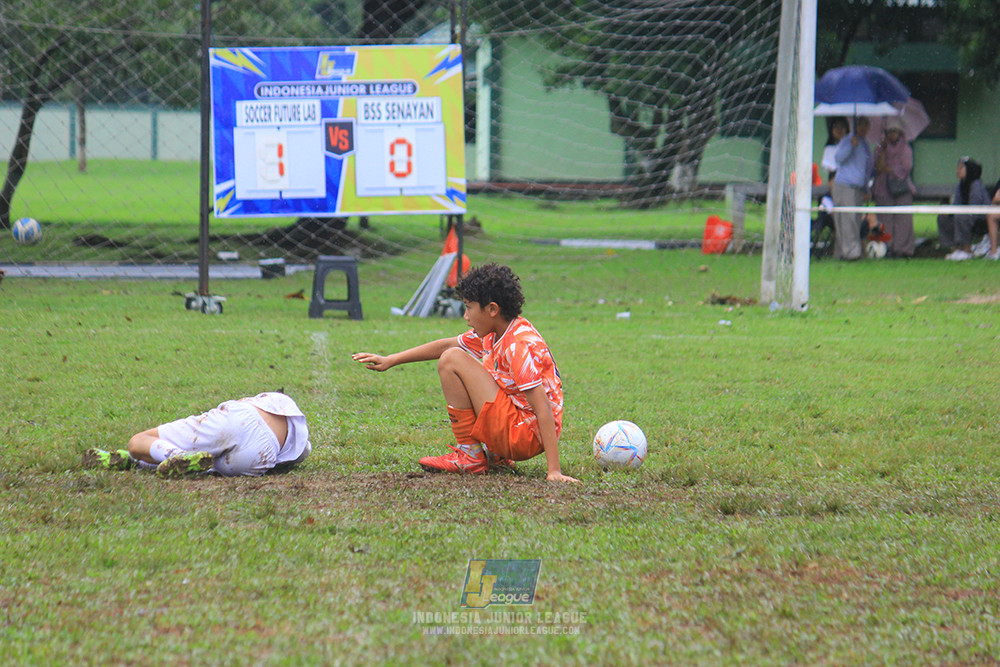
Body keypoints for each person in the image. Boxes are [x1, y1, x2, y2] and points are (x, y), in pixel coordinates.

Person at [352, 263, 579, 483]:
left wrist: (554, 471)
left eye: (469, 307)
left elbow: (543, 407)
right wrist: (391, 359)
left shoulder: (516, 346)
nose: (465, 316)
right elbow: (444, 345)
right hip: (520, 430)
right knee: (457, 355)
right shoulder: (498, 330)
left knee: (452, 360)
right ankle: (494, 455)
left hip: (523, 436)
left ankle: (470, 456)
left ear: (492, 309)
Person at [82, 391, 311, 478]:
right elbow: (302, 453)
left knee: (138, 440)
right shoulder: (301, 442)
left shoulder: (268, 401)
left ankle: (168, 453)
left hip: (240, 419)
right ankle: (133, 462)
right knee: (207, 465)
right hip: (262, 457)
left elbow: (242, 407)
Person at [871, 117, 915, 257]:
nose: (892, 134)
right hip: (883, 188)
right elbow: (878, 167)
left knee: (903, 219)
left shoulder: (905, 148)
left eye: (895, 131)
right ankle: (887, 247)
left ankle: (902, 249)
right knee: (885, 219)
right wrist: (883, 150)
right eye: (889, 131)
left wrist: (891, 169)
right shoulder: (880, 148)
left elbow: (906, 167)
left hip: (901, 187)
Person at [831, 116, 873, 260]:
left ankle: (848, 251)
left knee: (855, 221)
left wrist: (867, 188)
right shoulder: (848, 140)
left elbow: (867, 168)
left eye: (866, 126)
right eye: (861, 125)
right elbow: (838, 158)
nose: (863, 129)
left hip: (858, 188)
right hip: (844, 185)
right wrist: (850, 146)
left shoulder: (865, 144)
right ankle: (851, 253)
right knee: (845, 220)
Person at [937, 157, 990, 261]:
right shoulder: (960, 185)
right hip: (964, 214)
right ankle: (954, 248)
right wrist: (948, 211)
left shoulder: (976, 184)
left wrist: (959, 212)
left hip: (980, 217)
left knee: (961, 217)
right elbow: (957, 203)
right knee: (943, 218)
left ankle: (966, 250)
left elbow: (975, 207)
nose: (958, 171)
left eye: (961, 168)